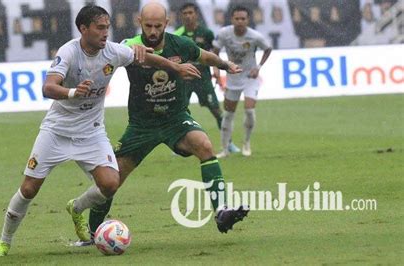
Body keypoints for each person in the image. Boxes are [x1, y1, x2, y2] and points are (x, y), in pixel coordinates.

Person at [0, 4, 201, 257]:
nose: (105, 33)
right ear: (83, 29)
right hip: (56, 132)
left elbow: (144, 56)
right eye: (100, 28)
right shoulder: (68, 52)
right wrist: (72, 92)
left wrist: (175, 67)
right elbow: (48, 87)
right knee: (29, 190)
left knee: (111, 183)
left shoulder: (112, 51)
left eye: (107, 28)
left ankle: (76, 208)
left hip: (91, 132)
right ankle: (4, 242)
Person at [77, 2, 248, 245]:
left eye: (158, 26)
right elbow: (108, 58)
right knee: (112, 181)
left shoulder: (180, 44)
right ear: (139, 22)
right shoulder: (130, 47)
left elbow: (204, 55)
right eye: (149, 26)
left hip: (175, 119)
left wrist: (226, 65)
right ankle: (94, 234)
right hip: (141, 126)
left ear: (167, 24)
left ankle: (221, 211)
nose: (153, 31)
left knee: (205, 146)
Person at [174, 2, 241, 153]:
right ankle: (177, 144)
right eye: (185, 13)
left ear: (196, 14)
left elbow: (213, 54)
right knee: (178, 112)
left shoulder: (206, 33)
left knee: (217, 111)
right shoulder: (177, 35)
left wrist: (217, 70)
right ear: (181, 16)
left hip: (203, 79)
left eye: (191, 13)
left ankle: (228, 143)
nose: (188, 16)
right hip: (184, 80)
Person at [213, 6, 272, 158]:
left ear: (248, 20)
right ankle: (225, 149)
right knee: (228, 115)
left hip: (249, 78)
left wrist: (258, 67)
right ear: (232, 19)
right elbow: (215, 53)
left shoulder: (255, 36)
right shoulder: (224, 33)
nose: (240, 21)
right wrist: (217, 72)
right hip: (233, 77)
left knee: (250, 111)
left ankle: (246, 143)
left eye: (243, 19)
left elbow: (268, 49)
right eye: (237, 18)